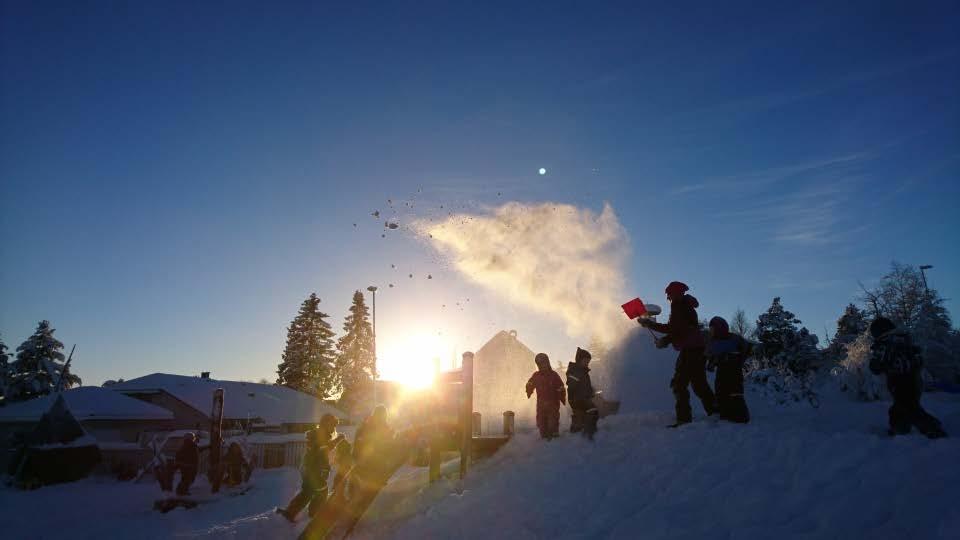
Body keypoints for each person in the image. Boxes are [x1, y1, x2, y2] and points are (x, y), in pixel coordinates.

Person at [639, 281, 716, 427]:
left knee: (678, 384)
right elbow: (679, 330)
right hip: (696, 349)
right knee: (699, 384)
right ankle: (715, 411)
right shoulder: (685, 305)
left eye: (669, 295)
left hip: (691, 350)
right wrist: (664, 338)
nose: (668, 298)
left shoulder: (679, 305)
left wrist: (652, 326)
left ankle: (684, 418)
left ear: (674, 293)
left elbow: (675, 329)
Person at [869, 317, 947, 438]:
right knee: (902, 407)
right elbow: (918, 357)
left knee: (909, 408)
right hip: (914, 379)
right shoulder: (905, 339)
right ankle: (900, 429)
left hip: (899, 380)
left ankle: (933, 429)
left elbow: (876, 366)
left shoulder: (884, 343)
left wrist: (875, 364)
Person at [276, 414, 338, 522]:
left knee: (308, 491)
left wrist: (337, 440)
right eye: (333, 425)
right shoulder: (321, 435)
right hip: (313, 470)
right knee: (322, 491)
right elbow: (320, 452)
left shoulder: (320, 434)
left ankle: (290, 512)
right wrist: (323, 469)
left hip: (309, 469)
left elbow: (323, 448)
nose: (334, 428)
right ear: (327, 424)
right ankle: (313, 515)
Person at [705, 317, 751, 423]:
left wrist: (739, 359)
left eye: (713, 328)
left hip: (734, 369)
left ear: (720, 328)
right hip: (722, 369)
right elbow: (709, 356)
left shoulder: (734, 338)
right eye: (710, 328)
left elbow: (747, 348)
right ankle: (725, 414)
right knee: (721, 391)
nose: (711, 330)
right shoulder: (712, 342)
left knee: (735, 391)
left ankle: (741, 415)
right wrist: (712, 363)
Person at [526, 353, 567, 439]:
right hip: (541, 404)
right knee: (542, 423)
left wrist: (561, 395)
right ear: (538, 365)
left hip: (553, 403)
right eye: (540, 364)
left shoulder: (553, 375)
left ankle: (554, 436)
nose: (542, 366)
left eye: (544, 363)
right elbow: (530, 383)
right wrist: (529, 388)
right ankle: (544, 438)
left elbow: (561, 386)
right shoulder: (536, 375)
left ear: (548, 363)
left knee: (553, 421)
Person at [566, 347, 598, 440]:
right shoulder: (575, 370)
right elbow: (572, 382)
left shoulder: (584, 372)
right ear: (579, 360)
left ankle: (576, 427)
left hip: (582, 398)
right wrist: (575, 380)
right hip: (576, 398)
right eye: (586, 360)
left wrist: (591, 391)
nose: (587, 363)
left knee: (581, 414)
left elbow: (585, 386)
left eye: (588, 361)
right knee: (592, 410)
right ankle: (590, 431)